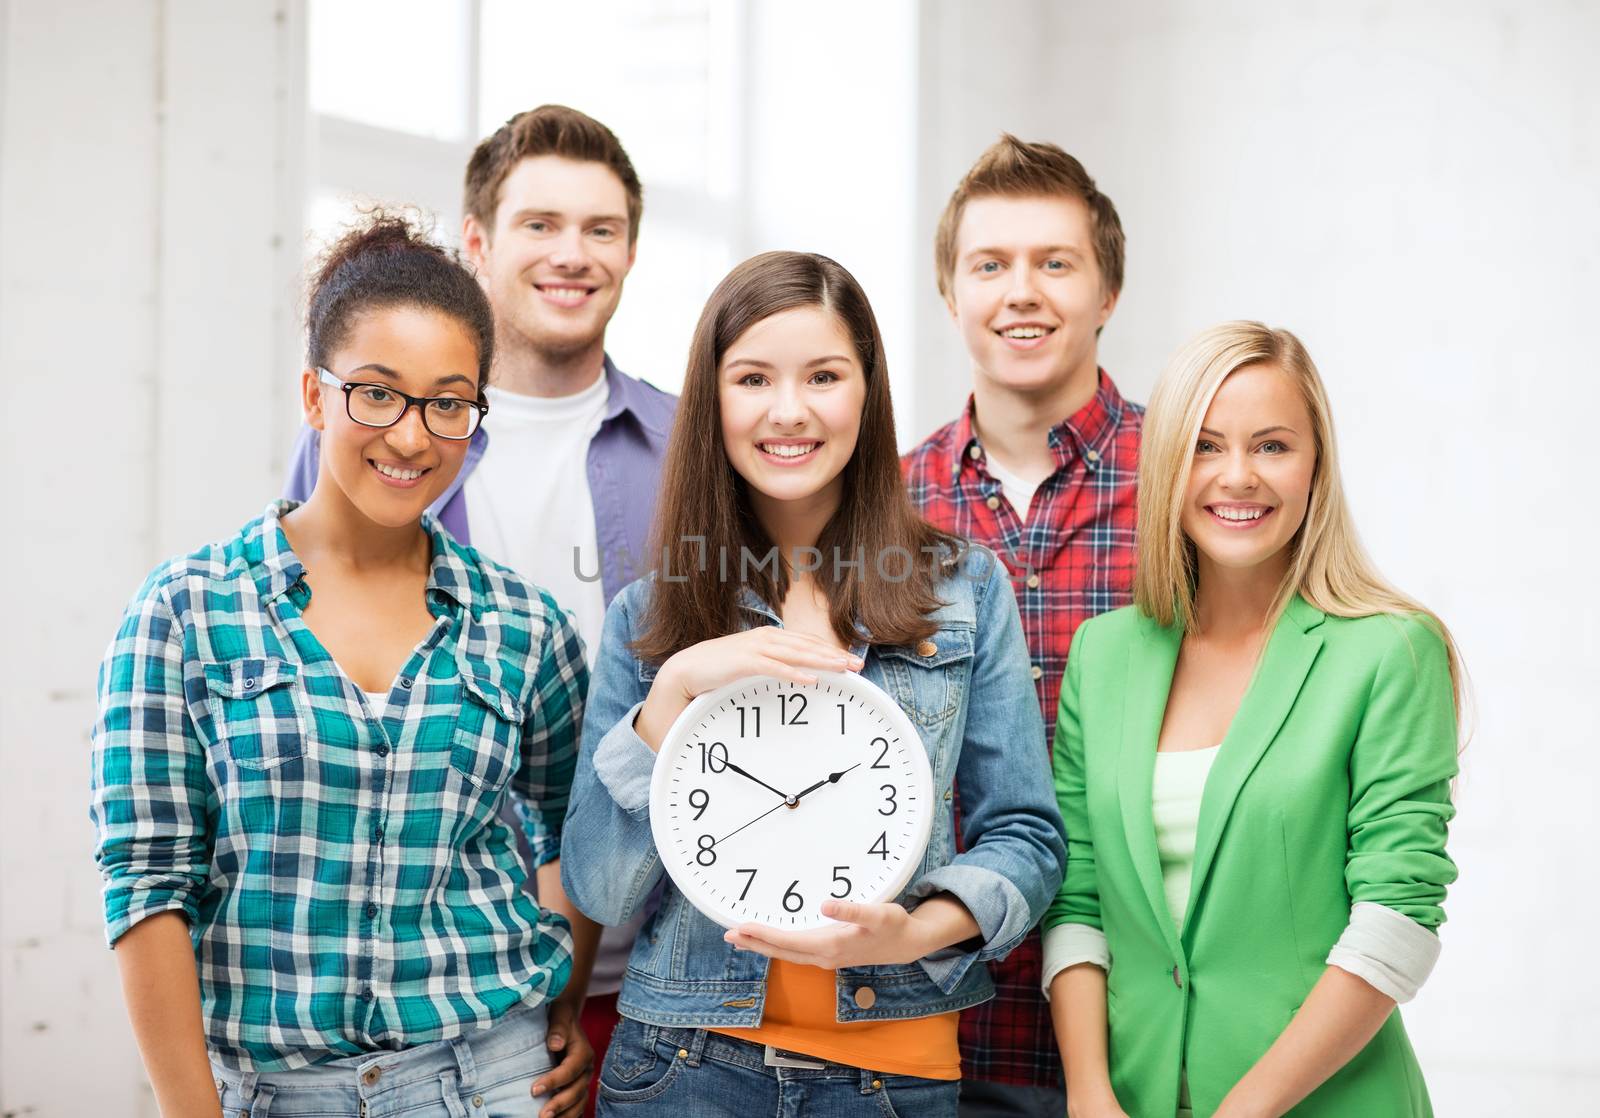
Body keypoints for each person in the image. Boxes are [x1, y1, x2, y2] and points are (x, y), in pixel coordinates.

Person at [92, 214, 599, 1118]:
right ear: (315, 395)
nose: (412, 437)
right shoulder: (184, 611)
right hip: (270, 1092)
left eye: (449, 402)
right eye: (377, 393)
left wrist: (564, 997)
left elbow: (574, 831)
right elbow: (146, 885)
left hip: (492, 1080)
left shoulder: (524, 625)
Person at [559, 251, 1067, 1116]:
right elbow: (600, 889)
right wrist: (674, 689)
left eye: (823, 376)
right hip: (682, 1068)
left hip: (894, 1075)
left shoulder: (963, 590)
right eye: (753, 378)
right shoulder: (650, 618)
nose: (788, 411)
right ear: (711, 398)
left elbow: (1026, 837)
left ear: (866, 393)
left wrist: (917, 932)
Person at [283, 105, 677, 1107]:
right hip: (434, 976)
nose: (571, 254)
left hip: (658, 970)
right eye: (539, 223)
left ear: (630, 250)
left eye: (601, 228)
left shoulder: (688, 448)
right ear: (476, 242)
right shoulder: (378, 442)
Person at [1045, 322, 1463, 1117]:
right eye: (1205, 446)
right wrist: (1091, 1093)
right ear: (1167, 464)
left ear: (1317, 466)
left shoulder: (1389, 651)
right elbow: (1078, 903)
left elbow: (1396, 920)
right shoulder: (1102, 656)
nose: (1238, 477)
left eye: (1272, 446)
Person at [902, 134, 1141, 1116]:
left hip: (1143, 1015)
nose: (1021, 292)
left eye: (1055, 262)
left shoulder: (1191, 490)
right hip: (933, 1020)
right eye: (989, 265)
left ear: (1106, 291)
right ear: (951, 295)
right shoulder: (884, 506)